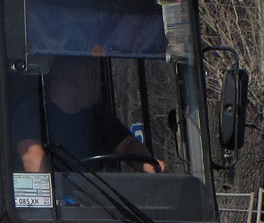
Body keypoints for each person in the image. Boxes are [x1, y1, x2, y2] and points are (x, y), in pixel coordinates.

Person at [14, 56, 161, 174]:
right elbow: (33, 158)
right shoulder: (32, 112)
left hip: (95, 202)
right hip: (57, 207)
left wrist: (146, 163)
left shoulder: (98, 115)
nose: (101, 83)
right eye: (95, 75)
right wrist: (53, 198)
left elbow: (128, 145)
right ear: (75, 82)